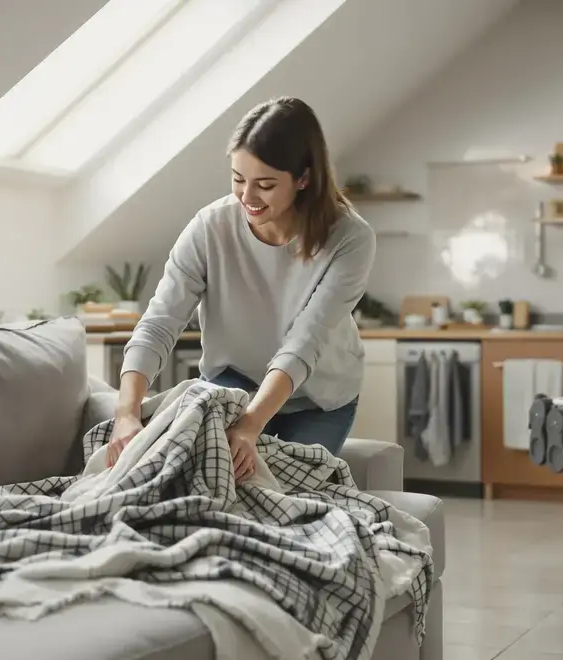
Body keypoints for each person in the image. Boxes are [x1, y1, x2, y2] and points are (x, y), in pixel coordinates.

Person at [106, 96, 376, 483]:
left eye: (265, 185)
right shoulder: (209, 228)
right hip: (233, 381)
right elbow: (159, 323)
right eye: (238, 179)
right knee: (206, 479)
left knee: (280, 491)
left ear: (303, 178)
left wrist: (251, 426)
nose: (247, 197)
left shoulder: (350, 237)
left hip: (320, 396)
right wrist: (127, 412)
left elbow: (304, 342)